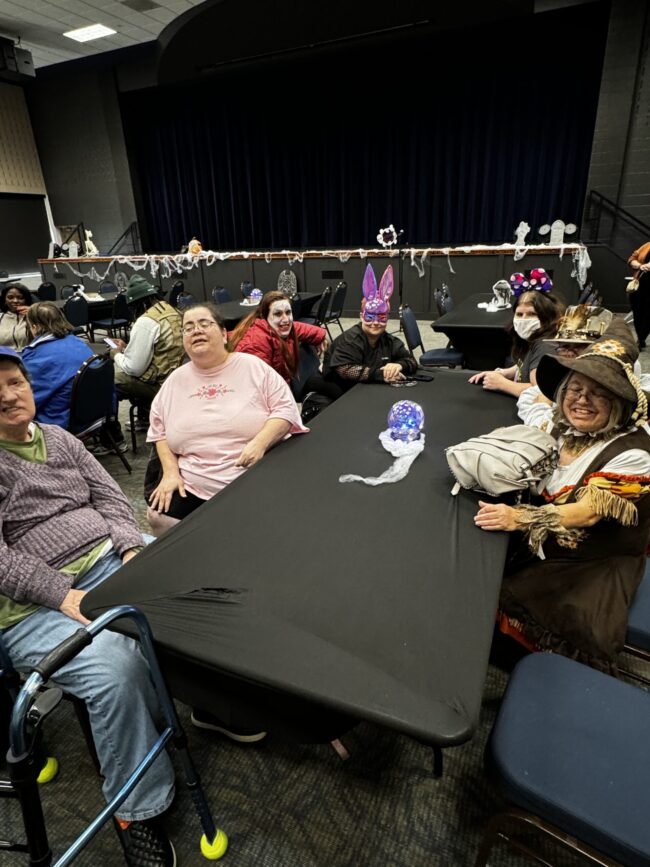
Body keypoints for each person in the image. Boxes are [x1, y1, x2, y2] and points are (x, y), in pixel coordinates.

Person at [0, 346, 176, 867]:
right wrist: (59, 592)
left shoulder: (59, 438)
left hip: (107, 557)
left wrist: (127, 547)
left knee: (185, 602)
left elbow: (110, 496)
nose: (9, 395)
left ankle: (198, 713)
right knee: (116, 671)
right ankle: (136, 809)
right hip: (31, 605)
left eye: (15, 381)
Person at [474, 330, 650, 671]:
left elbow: (586, 513)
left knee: (505, 594)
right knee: (480, 563)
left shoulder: (634, 454)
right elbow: (535, 411)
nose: (582, 400)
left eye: (599, 394)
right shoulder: (565, 426)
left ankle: (530, 673)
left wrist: (518, 519)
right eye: (575, 389)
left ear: (619, 404)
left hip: (592, 559)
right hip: (546, 542)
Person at [146, 302, 307, 537]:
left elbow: (285, 409)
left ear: (223, 334)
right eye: (188, 328)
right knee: (158, 515)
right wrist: (170, 472)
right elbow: (158, 431)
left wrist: (260, 443)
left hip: (252, 474)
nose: (196, 330)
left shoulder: (253, 367)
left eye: (204, 324)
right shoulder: (174, 381)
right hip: (194, 482)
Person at [317, 263, 417, 399]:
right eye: (370, 316)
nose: (375, 322)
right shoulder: (350, 340)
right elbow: (344, 369)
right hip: (338, 389)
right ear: (361, 316)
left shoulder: (389, 340)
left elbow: (411, 361)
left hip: (367, 388)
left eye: (381, 317)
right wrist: (380, 374)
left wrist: (398, 365)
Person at [107, 274, 183, 435]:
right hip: (178, 378)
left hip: (162, 385)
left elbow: (134, 368)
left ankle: (112, 435)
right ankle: (145, 415)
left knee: (110, 378)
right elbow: (161, 349)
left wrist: (116, 354)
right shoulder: (171, 310)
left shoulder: (146, 321)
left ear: (135, 304)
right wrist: (128, 347)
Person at [468, 287, 565, 396]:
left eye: (532, 314)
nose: (524, 319)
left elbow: (540, 392)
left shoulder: (545, 345)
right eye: (519, 314)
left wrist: (502, 383)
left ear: (547, 317)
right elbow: (528, 362)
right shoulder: (533, 338)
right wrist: (502, 373)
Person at [21, 301, 94, 429]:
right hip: (92, 412)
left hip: (59, 420)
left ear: (35, 327)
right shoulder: (79, 342)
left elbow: (28, 400)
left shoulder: (37, 357)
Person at [230, 290, 327, 386]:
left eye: (288, 312)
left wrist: (320, 335)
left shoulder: (272, 328)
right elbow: (260, 388)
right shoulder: (256, 344)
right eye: (278, 314)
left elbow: (297, 327)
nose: (286, 319)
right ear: (264, 316)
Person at [627, 240, 650, 350]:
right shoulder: (647, 245)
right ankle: (641, 337)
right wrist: (640, 266)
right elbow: (632, 259)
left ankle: (641, 339)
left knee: (648, 313)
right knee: (637, 311)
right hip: (639, 284)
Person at [0, 282, 32, 349]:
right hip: (6, 358)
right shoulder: (0, 317)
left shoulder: (35, 315)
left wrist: (34, 311)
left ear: (26, 299)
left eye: (20, 297)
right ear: (5, 300)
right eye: (10, 297)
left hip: (30, 357)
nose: (15, 301)